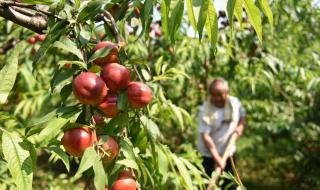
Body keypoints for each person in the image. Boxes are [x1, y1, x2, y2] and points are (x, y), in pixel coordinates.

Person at [197, 78, 246, 188]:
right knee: (207, 184)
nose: (217, 98)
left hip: (228, 154)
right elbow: (205, 136)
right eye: (213, 95)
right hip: (208, 156)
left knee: (230, 186)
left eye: (220, 94)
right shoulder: (205, 110)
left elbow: (243, 117)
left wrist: (240, 128)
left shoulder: (235, 103)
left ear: (227, 93)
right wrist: (217, 159)